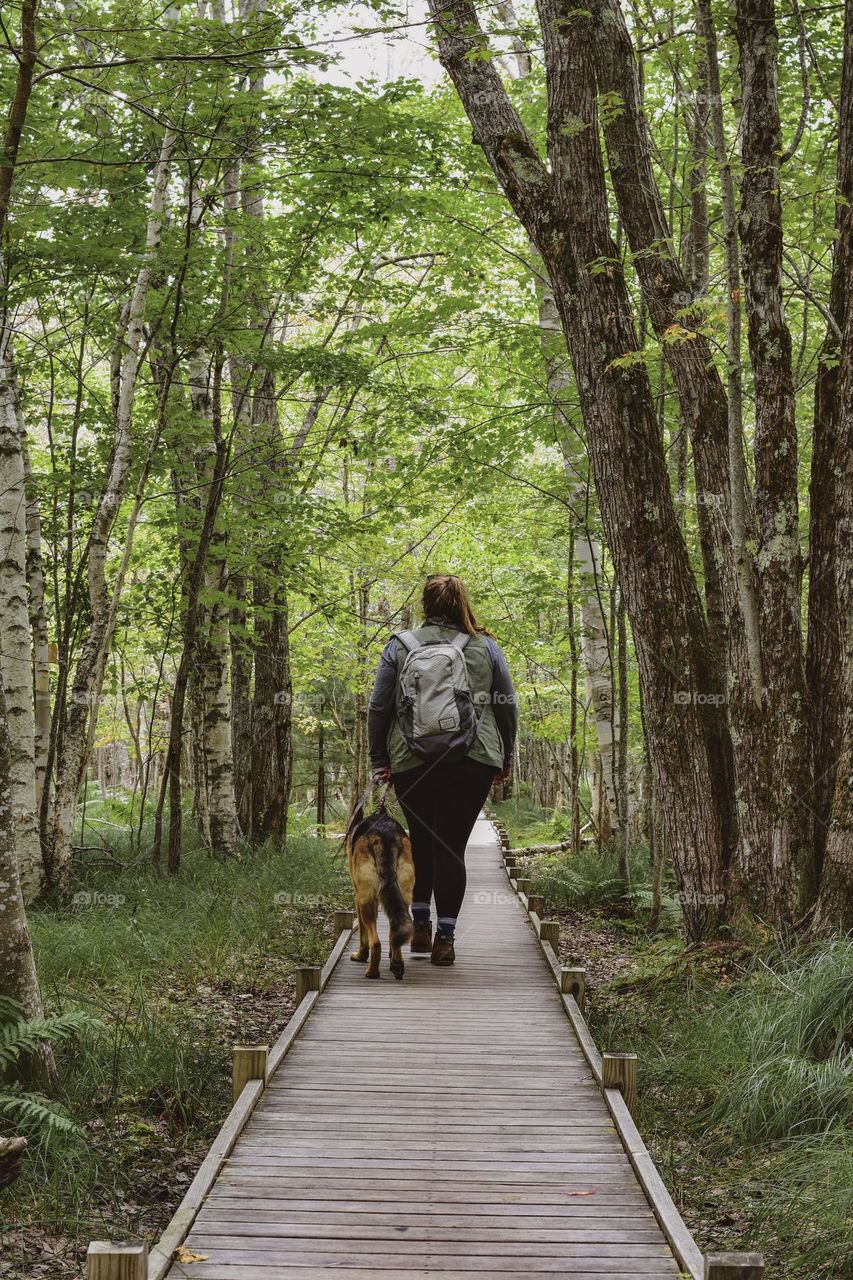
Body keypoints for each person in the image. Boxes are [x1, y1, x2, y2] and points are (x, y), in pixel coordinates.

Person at [367, 574, 518, 966]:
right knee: (451, 845)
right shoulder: (486, 647)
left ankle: (420, 927)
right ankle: (446, 938)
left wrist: (379, 760)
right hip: (473, 759)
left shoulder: (400, 646)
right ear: (462, 603)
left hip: (411, 760)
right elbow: (506, 706)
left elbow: (379, 707)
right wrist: (506, 758)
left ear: (425, 605)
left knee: (421, 841)